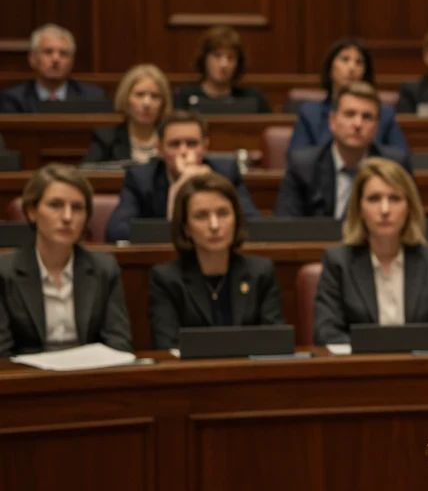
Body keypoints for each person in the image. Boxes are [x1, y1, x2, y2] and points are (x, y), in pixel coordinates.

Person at [313, 157, 428, 345]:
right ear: (359, 209)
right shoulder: (338, 261)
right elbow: (326, 332)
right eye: (374, 199)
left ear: (409, 208)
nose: (385, 209)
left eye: (394, 198)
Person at [0, 164, 133, 355]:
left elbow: (119, 343)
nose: (68, 217)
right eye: (56, 205)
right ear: (32, 211)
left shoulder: (104, 268)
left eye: (77, 208)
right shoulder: (5, 273)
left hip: (90, 378)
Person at [147, 171, 284, 349]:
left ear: (236, 219)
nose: (214, 225)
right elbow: (166, 346)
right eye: (201, 216)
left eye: (223, 213)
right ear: (186, 227)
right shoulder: (167, 279)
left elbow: (275, 342)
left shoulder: (260, 272)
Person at [105, 110, 261, 243]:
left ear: (205, 147)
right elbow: (116, 232)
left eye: (192, 143)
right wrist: (179, 188)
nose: (184, 151)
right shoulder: (141, 178)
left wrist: (211, 184)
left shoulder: (225, 172)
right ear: (159, 149)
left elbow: (255, 225)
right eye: (175, 144)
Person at [276, 82, 412, 218]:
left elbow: (411, 223)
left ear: (376, 127)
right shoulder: (303, 167)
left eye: (367, 117)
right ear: (332, 121)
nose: (358, 124)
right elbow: (286, 227)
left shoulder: (395, 165)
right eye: (350, 114)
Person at [287, 37, 408, 153]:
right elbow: (298, 159)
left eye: (359, 62)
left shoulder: (385, 114)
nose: (352, 67)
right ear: (330, 68)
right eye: (345, 59)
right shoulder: (310, 114)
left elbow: (400, 159)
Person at [1, 24, 106, 113]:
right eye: (48, 52)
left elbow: (104, 137)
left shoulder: (93, 97)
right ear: (32, 58)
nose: (56, 59)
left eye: (63, 53)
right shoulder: (13, 99)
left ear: (72, 61)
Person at [83, 64, 171, 165]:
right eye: (140, 94)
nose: (147, 103)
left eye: (155, 96)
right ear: (126, 98)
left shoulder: (173, 138)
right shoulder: (107, 138)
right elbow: (88, 172)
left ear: (163, 103)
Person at [173, 26, 272, 113]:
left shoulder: (253, 97)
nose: (224, 64)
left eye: (231, 57)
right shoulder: (183, 97)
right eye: (217, 56)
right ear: (204, 58)